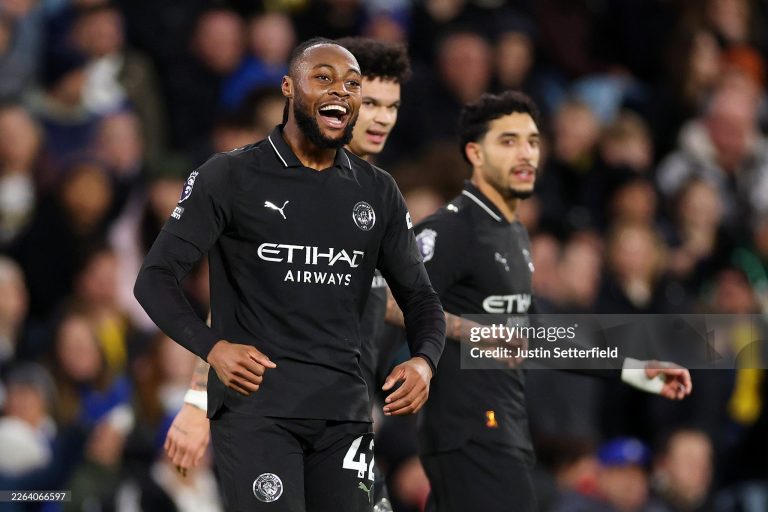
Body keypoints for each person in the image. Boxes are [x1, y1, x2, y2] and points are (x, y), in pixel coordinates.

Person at [134, 37, 444, 512]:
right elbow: (154, 278)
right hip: (257, 415)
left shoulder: (378, 192)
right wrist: (212, 357)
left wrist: (424, 360)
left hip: (345, 415)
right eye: (323, 78)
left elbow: (420, 298)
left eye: (353, 84)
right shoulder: (229, 176)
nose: (341, 91)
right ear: (288, 88)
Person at [411, 91, 692, 511]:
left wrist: (637, 370)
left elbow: (544, 337)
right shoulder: (448, 230)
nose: (526, 154)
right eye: (509, 142)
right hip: (462, 437)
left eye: (532, 142)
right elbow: (388, 300)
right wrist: (468, 330)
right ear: (476, 154)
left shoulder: (512, 241)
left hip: (507, 439)